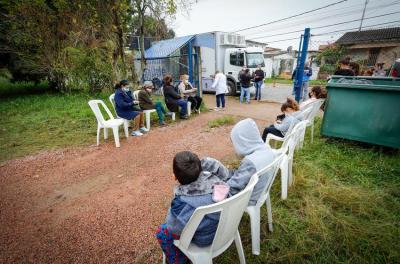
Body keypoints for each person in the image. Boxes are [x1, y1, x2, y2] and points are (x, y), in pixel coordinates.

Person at [155, 151, 230, 264]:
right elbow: (224, 173)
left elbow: (174, 228)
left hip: (203, 239)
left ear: (174, 176)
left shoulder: (180, 204)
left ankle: (180, 260)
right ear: (200, 170)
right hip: (225, 229)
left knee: (162, 231)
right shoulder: (218, 183)